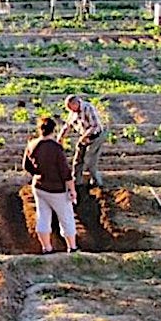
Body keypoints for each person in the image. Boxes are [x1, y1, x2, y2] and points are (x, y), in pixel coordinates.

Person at [23, 116, 78, 254]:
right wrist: (72, 190)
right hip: (56, 189)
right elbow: (65, 172)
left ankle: (47, 248)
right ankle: (72, 247)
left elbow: (26, 165)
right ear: (54, 130)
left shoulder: (32, 144)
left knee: (43, 216)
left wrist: (38, 173)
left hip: (39, 187)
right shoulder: (56, 148)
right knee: (66, 218)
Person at [57, 94, 104, 188]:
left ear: (76, 103)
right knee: (78, 160)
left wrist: (85, 136)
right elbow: (68, 125)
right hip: (84, 136)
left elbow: (94, 126)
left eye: (71, 107)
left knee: (89, 160)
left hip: (96, 136)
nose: (71, 110)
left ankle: (97, 183)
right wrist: (60, 138)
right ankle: (77, 182)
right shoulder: (73, 112)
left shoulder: (88, 108)